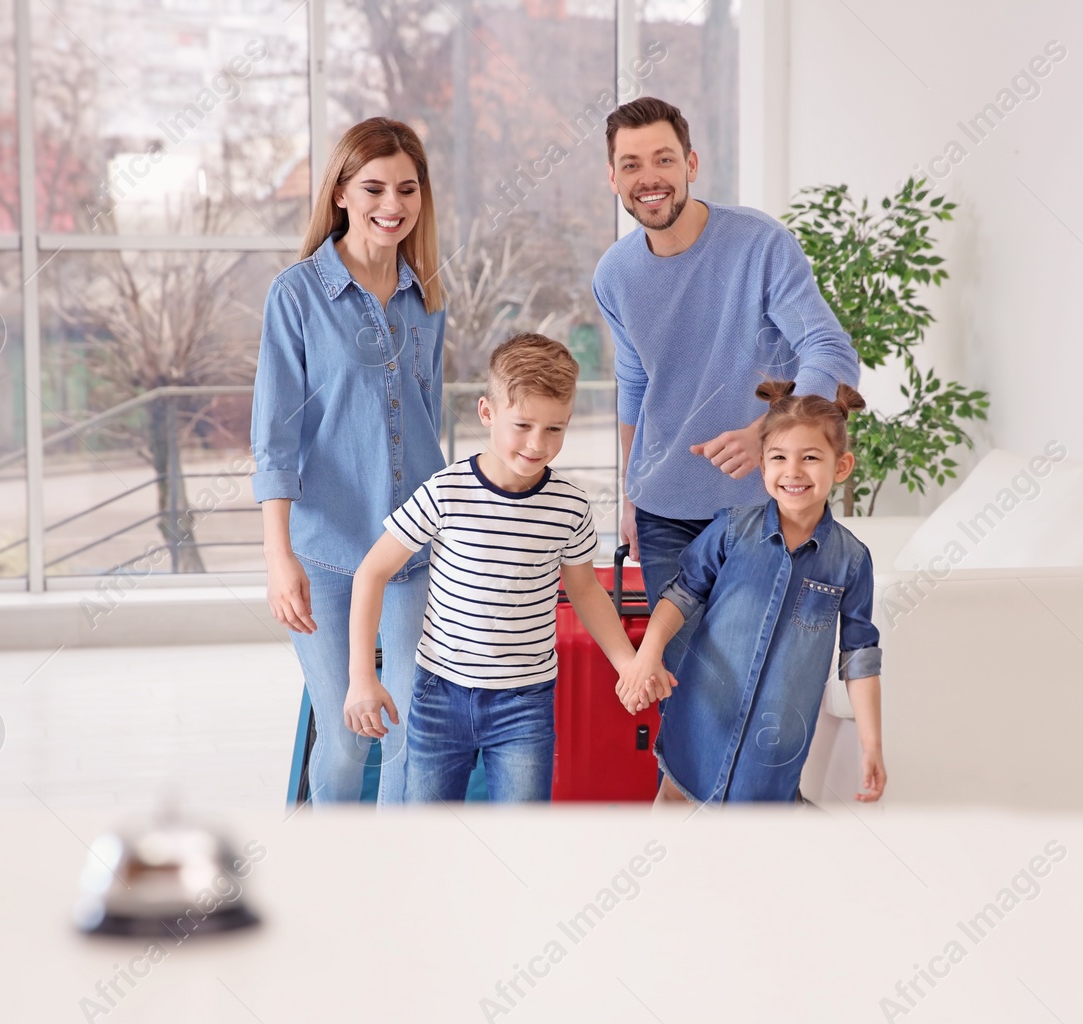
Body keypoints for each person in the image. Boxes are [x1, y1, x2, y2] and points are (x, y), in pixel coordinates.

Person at [593, 96, 862, 677]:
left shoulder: (759, 244)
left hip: (762, 505)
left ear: (691, 164)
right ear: (613, 177)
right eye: (632, 165)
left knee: (755, 677)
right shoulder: (614, 274)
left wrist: (767, 432)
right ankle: (677, 774)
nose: (650, 178)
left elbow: (833, 353)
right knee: (690, 683)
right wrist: (631, 494)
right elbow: (635, 382)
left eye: (663, 159)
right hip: (664, 512)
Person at [344, 334, 671, 802]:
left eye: (555, 429)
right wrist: (362, 677)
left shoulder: (570, 506)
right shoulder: (446, 491)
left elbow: (584, 590)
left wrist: (627, 663)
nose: (538, 444)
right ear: (487, 412)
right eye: (523, 425)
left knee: (521, 844)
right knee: (429, 840)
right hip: (439, 695)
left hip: (526, 703)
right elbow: (370, 573)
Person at [251, 117, 448, 805]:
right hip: (327, 555)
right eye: (373, 187)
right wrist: (280, 558)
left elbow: (432, 422)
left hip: (415, 552)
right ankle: (327, 878)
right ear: (340, 191)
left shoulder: (428, 297)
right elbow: (273, 440)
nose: (391, 204)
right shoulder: (297, 296)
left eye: (407, 188)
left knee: (409, 731)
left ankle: (395, 880)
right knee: (346, 735)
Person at [616, 380, 884, 805]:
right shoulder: (730, 530)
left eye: (810, 458)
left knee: (751, 849)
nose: (793, 471)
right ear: (762, 465)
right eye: (779, 458)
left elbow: (860, 656)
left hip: (775, 748)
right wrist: (648, 655)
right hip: (701, 720)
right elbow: (680, 595)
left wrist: (871, 745)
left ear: (842, 466)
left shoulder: (851, 559)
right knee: (675, 804)